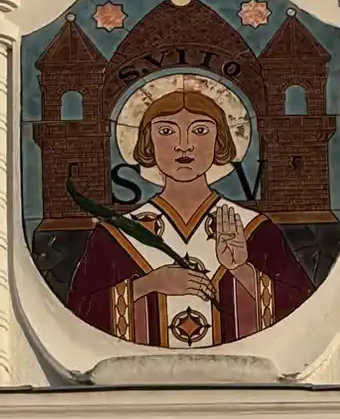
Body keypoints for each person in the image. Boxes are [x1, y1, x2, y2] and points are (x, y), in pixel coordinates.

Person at [66, 84, 312, 347]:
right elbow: (74, 319)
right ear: (148, 143)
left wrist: (241, 271)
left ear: (220, 142)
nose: (184, 145)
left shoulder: (255, 230)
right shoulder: (116, 236)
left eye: (200, 130)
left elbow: (306, 313)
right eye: (166, 131)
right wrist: (147, 285)